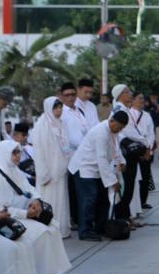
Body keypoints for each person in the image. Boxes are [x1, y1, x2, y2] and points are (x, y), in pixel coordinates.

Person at [0, 140, 71, 274]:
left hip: (23, 214)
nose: (17, 156)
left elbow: (30, 189)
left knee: (53, 227)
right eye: (14, 153)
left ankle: (54, 271)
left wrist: (36, 200)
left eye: (19, 152)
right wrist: (26, 214)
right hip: (4, 221)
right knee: (41, 232)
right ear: (4, 154)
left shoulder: (15, 171)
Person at [69, 111, 128, 240]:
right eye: (118, 127)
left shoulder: (113, 132)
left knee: (103, 198)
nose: (119, 130)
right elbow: (101, 158)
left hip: (96, 169)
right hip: (84, 167)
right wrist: (113, 181)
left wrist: (121, 161)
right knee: (89, 199)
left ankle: (100, 228)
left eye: (122, 128)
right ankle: (85, 231)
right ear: (112, 121)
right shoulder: (101, 133)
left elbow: (115, 149)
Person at [32, 97, 72, 238]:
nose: (59, 110)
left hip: (60, 170)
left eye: (60, 107)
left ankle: (60, 229)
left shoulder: (61, 123)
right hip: (48, 171)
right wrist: (43, 173)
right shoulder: (42, 125)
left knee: (60, 199)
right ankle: (47, 229)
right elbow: (39, 152)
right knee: (48, 199)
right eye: (56, 107)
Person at [109, 84, 142, 221]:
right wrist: (144, 143)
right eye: (128, 92)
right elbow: (129, 132)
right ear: (121, 95)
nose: (130, 94)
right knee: (126, 188)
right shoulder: (119, 110)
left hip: (126, 152)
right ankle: (122, 219)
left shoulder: (124, 108)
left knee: (129, 188)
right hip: (124, 153)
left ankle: (126, 218)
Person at [59, 81, 88, 229]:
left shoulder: (79, 111)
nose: (70, 98)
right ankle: (74, 219)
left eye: (72, 94)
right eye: (67, 95)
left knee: (80, 190)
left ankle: (79, 218)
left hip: (83, 155)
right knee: (73, 190)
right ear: (62, 96)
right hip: (71, 157)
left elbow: (85, 131)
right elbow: (70, 138)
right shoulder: (62, 112)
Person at [130, 92, 156, 210]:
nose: (142, 100)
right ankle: (134, 203)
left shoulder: (147, 115)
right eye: (139, 98)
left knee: (145, 176)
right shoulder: (129, 114)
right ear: (133, 100)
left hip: (146, 149)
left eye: (142, 98)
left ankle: (143, 201)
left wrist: (148, 147)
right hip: (135, 149)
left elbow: (151, 132)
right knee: (135, 177)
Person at [11, 122, 36, 187]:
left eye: (27, 135)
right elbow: (12, 170)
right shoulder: (10, 149)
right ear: (15, 135)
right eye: (24, 135)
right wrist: (31, 177)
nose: (26, 137)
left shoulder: (24, 148)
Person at [147, 94, 159, 160]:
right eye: (152, 98)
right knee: (150, 140)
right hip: (149, 126)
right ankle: (151, 154)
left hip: (158, 124)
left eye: (155, 98)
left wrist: (156, 105)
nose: (153, 99)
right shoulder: (148, 105)